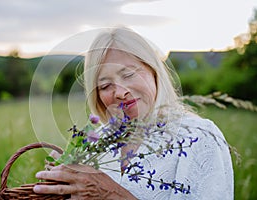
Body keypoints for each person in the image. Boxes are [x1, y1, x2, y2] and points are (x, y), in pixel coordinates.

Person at [33, 27, 234, 199]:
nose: (120, 92)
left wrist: (111, 194)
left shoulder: (199, 137)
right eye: (105, 85)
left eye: (129, 74)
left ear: (154, 71)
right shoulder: (96, 141)